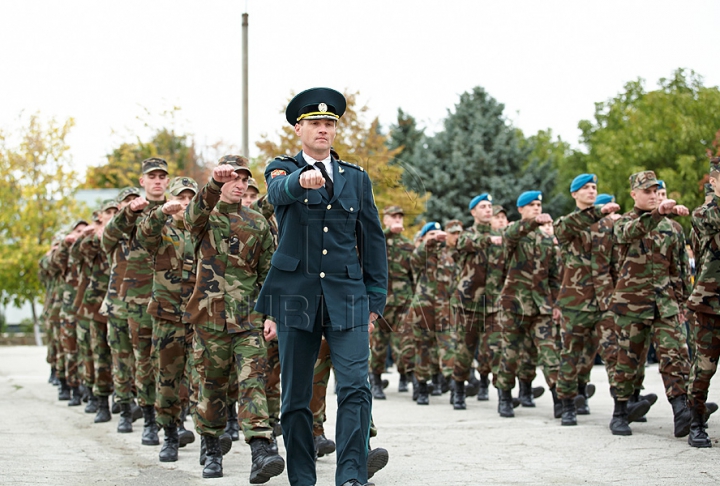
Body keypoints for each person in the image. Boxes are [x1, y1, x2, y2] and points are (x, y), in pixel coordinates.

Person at [256, 87, 388, 486]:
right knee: (296, 396)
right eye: (315, 123)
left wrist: (375, 299)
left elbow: (373, 239)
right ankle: (302, 478)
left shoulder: (355, 177)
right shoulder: (281, 168)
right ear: (299, 128)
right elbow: (277, 193)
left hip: (348, 296)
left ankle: (351, 476)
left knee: (355, 388)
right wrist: (300, 181)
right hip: (296, 296)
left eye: (329, 124)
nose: (323, 130)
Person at [185, 156, 284, 481]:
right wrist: (212, 184)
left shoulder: (257, 222)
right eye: (233, 178)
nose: (240, 184)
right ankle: (212, 448)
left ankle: (259, 449)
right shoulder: (205, 218)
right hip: (209, 317)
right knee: (211, 386)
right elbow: (190, 216)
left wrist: (271, 315)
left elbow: (269, 274)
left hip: (248, 318)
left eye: (244, 179)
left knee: (253, 381)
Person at [609, 170, 692, 437]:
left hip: (665, 304)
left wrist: (683, 305)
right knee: (628, 359)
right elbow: (633, 230)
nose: (653, 195)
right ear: (634, 194)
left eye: (656, 190)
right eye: (647, 191)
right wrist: (658, 214)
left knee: (675, 355)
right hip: (631, 305)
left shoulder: (673, 228)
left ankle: (682, 411)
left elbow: (678, 270)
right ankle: (620, 411)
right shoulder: (623, 223)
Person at [137, 176, 200, 462]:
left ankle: (208, 436)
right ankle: (170, 434)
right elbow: (144, 233)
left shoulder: (205, 231)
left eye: (190, 197)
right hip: (168, 317)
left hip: (200, 316)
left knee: (203, 378)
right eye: (180, 197)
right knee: (167, 378)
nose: (185, 202)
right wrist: (161, 212)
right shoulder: (161, 232)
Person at [553, 174, 622, 426]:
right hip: (574, 302)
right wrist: (599, 212)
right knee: (570, 355)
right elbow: (568, 227)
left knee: (613, 353)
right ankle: (568, 404)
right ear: (574, 194)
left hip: (604, 301)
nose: (591, 191)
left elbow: (615, 264)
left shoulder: (607, 226)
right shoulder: (566, 224)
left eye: (594, 187)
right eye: (585, 188)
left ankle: (621, 409)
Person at [496, 191, 561, 419]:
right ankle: (504, 396)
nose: (536, 208)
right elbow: (512, 233)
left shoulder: (546, 241)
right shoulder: (514, 235)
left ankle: (560, 400)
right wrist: (533, 222)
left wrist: (556, 304)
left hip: (541, 306)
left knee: (549, 353)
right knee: (510, 354)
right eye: (531, 205)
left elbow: (554, 276)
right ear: (521, 209)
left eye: (539, 205)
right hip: (514, 305)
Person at [451, 194, 503, 409]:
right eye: (483, 206)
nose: (488, 210)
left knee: (497, 349)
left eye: (490, 206)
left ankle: (504, 396)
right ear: (473, 212)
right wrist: (489, 240)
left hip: (494, 304)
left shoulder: (501, 236)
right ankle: (459, 390)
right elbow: (465, 243)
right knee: (465, 349)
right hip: (468, 304)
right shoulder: (466, 236)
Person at [101, 187, 143, 433]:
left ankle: (146, 407)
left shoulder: (147, 232)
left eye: (136, 201)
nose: (134, 206)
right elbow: (109, 231)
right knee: (122, 361)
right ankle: (125, 409)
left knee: (144, 361)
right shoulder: (113, 235)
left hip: (143, 306)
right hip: (117, 306)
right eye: (128, 203)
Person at [686, 158, 720, 447]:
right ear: (714, 182)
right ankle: (696, 421)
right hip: (711, 304)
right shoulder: (703, 214)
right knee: (704, 369)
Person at [370, 205, 415, 398]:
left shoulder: (408, 245)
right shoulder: (378, 240)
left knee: (406, 342)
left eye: (400, 217)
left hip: (403, 301)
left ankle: (410, 377)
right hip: (381, 303)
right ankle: (376, 381)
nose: (397, 219)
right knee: (379, 344)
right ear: (385, 219)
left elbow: (414, 275)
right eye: (393, 216)